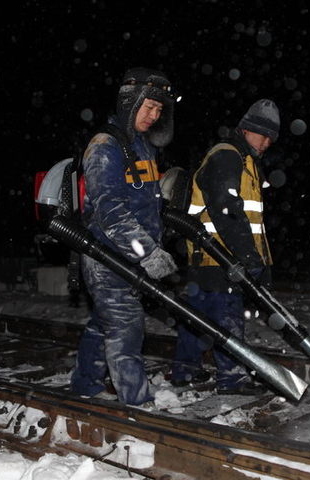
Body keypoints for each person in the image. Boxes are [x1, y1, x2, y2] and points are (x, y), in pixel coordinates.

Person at [70, 67, 178, 406]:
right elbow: (110, 211)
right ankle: (138, 407)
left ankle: (85, 382)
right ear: (130, 104)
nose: (154, 115)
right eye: (149, 107)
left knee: (105, 323)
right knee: (126, 327)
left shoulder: (143, 146)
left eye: (160, 110)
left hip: (129, 256)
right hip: (106, 257)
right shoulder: (105, 146)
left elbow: (145, 200)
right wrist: (147, 251)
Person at [172, 99, 280, 395]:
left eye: (272, 137)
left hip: (209, 256)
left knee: (198, 317)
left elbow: (253, 222)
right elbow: (227, 210)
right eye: (263, 134)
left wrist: (263, 264)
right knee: (228, 318)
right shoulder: (227, 156)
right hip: (220, 257)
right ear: (246, 130)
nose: (267, 142)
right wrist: (247, 257)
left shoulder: (246, 163)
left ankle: (185, 371)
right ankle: (231, 379)